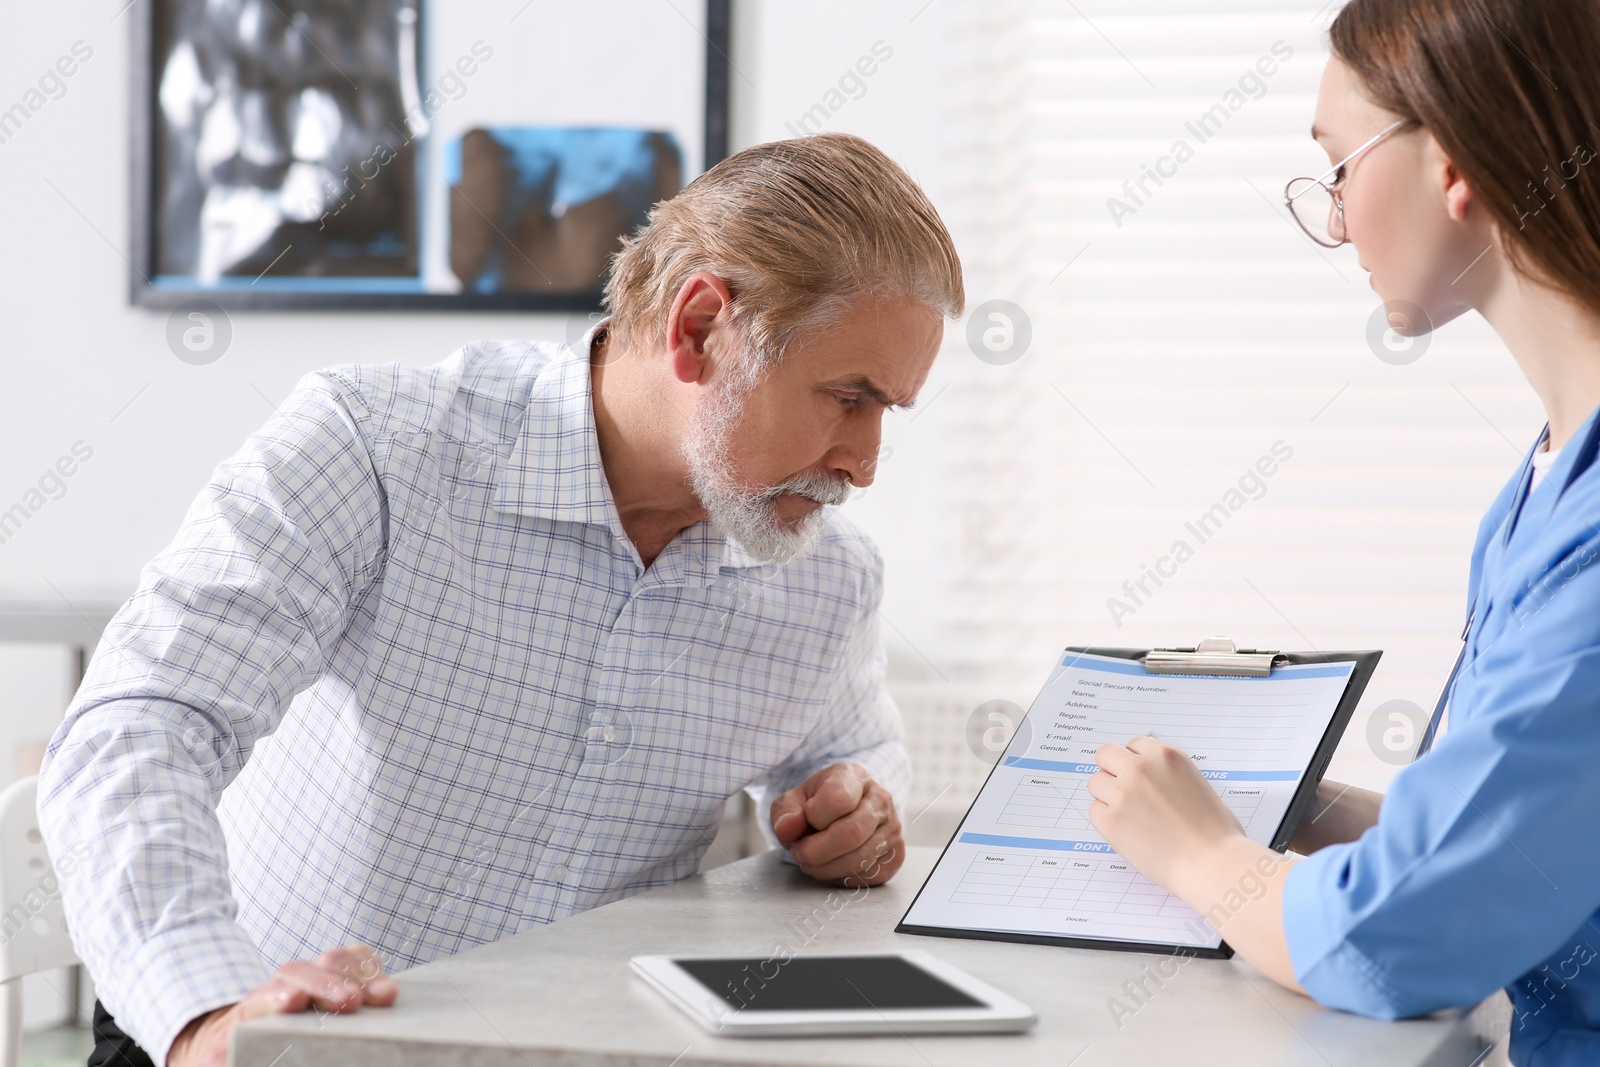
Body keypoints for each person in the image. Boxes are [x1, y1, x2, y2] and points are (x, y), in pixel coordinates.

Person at [41, 132, 963, 1067]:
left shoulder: (826, 578)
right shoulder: (375, 451)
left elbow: (849, 755)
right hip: (266, 1031)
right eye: (850, 398)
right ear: (698, 329)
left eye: (889, 410)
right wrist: (206, 1012)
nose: (867, 463)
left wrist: (853, 813)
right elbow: (143, 726)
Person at [1088, 1, 1600, 1063]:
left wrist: (1203, 855)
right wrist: (1306, 805)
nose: (1333, 214)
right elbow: (1523, 842)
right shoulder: (1544, 484)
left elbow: (1401, 934)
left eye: (1338, 165)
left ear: (1452, 163)